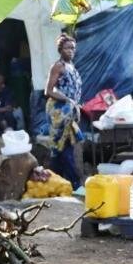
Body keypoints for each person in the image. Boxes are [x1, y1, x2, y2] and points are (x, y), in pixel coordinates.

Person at [44, 34, 84, 190]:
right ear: (60, 49)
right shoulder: (58, 66)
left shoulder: (72, 66)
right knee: (63, 147)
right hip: (58, 111)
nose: (71, 51)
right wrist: (68, 100)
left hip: (70, 112)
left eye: (73, 48)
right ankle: (75, 184)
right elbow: (48, 91)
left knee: (63, 149)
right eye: (68, 48)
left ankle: (55, 184)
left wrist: (75, 104)